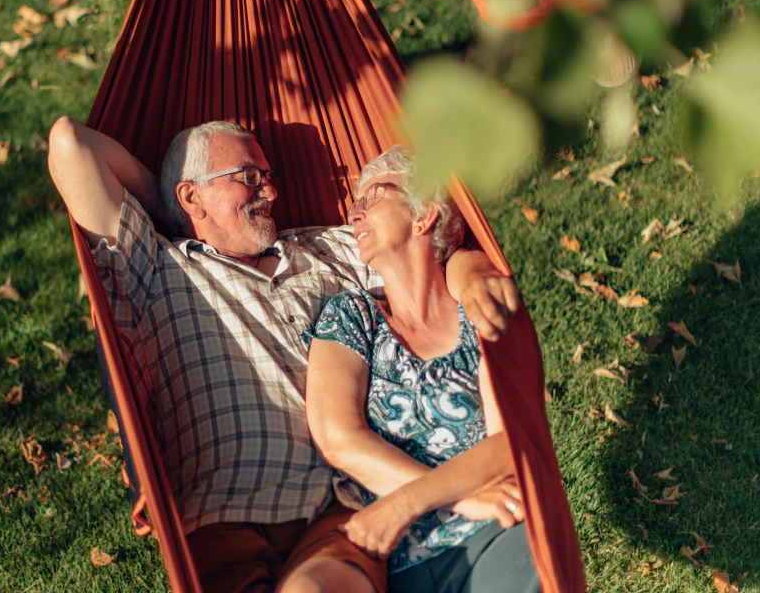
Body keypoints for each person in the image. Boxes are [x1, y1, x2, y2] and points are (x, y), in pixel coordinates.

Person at [47, 117, 521, 593]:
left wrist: (475, 274)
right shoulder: (152, 268)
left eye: (269, 178)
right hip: (223, 518)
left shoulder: (327, 250)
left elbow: (425, 248)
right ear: (193, 196)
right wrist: (172, 204)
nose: (270, 192)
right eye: (249, 177)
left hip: (338, 509)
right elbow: (71, 144)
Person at [303, 146, 541, 593]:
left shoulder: (480, 308)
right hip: (392, 559)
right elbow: (339, 439)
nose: (354, 214)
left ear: (423, 214)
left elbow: (513, 440)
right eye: (355, 202)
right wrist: (462, 496)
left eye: (373, 195)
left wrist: (409, 501)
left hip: (495, 531)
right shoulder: (352, 316)